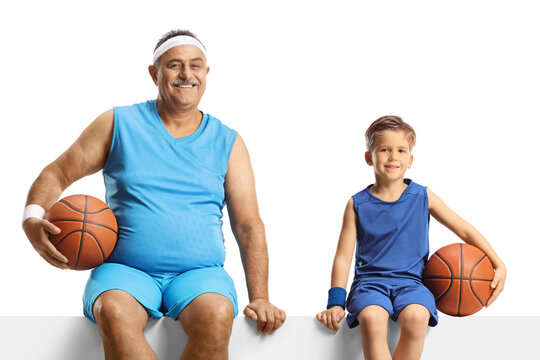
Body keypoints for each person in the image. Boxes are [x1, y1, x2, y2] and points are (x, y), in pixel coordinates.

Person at [22, 29, 285, 360]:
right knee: (114, 313)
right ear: (154, 73)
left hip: (200, 274)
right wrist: (32, 216)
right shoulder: (119, 123)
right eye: (175, 65)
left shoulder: (229, 142)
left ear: (206, 73)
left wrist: (260, 296)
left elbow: (248, 225)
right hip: (125, 271)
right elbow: (57, 172)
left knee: (216, 316)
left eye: (196, 66)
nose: (186, 75)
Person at [316, 116, 506, 360]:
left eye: (401, 150)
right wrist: (335, 303)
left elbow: (465, 230)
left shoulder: (423, 196)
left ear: (410, 159)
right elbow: (343, 258)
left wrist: (498, 263)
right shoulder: (357, 204)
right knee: (373, 319)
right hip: (369, 284)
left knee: (417, 317)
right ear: (368, 158)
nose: (393, 156)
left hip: (412, 284)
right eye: (384, 149)